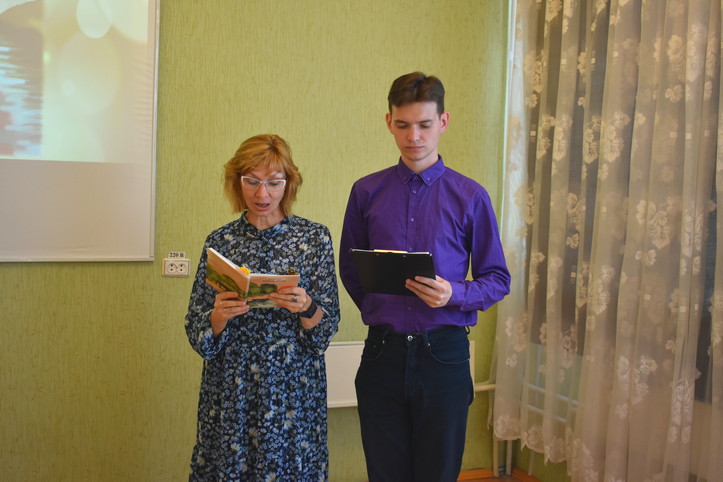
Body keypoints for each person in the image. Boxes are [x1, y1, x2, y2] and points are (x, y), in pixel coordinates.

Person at [339, 72, 511, 482]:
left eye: (424, 124)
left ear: (443, 122)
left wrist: (454, 294)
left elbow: (497, 278)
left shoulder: (471, 196)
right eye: (403, 125)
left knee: (437, 473)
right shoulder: (365, 192)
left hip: (444, 356)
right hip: (382, 354)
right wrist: (381, 308)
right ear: (388, 122)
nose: (413, 136)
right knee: (385, 473)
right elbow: (351, 269)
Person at [185, 134, 340, 481]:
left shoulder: (314, 238)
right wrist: (218, 317)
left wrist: (306, 306)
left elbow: (325, 332)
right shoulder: (220, 241)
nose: (262, 194)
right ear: (236, 182)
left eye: (273, 182)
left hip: (292, 387)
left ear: (289, 183)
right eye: (251, 182)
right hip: (232, 387)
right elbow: (197, 332)